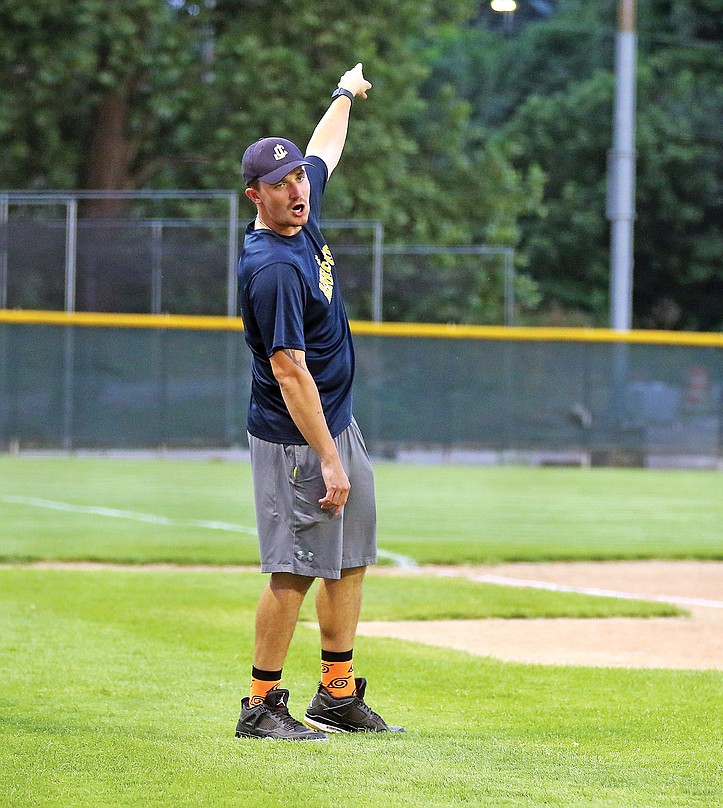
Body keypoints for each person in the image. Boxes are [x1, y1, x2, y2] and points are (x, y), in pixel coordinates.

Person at [234, 63, 403, 741]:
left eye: (297, 177)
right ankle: (260, 706)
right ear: (257, 196)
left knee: (351, 555)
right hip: (299, 438)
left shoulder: (302, 214)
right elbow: (289, 372)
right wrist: (330, 461)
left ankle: (335, 693)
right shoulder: (272, 266)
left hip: (336, 421)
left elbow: (324, 146)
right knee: (294, 570)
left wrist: (341, 91)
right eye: (281, 183)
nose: (297, 188)